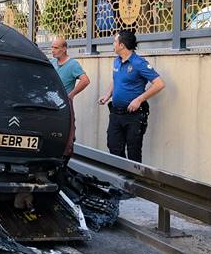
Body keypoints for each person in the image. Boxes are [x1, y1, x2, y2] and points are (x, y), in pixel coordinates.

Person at [97, 30, 165, 163]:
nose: (113, 44)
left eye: (115, 42)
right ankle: (121, 180)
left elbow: (159, 84)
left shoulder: (139, 63)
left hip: (133, 116)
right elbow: (116, 80)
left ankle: (133, 181)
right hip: (116, 114)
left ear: (122, 45)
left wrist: (139, 99)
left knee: (133, 152)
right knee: (114, 148)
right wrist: (107, 95)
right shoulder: (117, 61)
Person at [51, 37, 89, 158]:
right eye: (52, 47)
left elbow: (85, 80)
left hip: (64, 105)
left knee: (68, 132)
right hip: (50, 103)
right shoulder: (52, 63)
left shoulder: (73, 64)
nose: (53, 50)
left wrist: (71, 94)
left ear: (64, 49)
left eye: (56, 48)